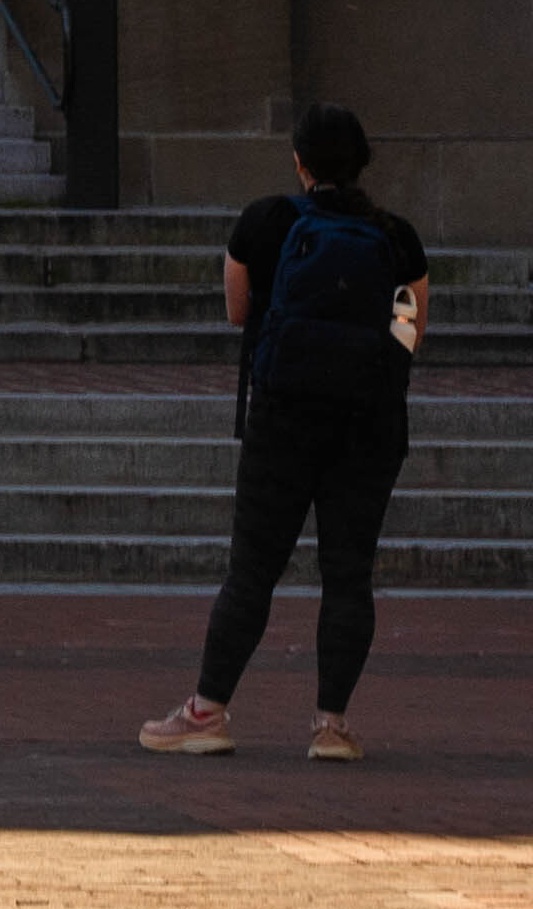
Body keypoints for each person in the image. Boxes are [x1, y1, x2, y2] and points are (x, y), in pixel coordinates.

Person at [139, 105, 430, 762]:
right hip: (368, 427)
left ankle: (205, 712)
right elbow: (409, 332)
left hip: (282, 419)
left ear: (299, 162)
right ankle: (330, 726)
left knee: (251, 570)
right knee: (347, 574)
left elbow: (238, 310)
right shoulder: (396, 236)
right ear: (360, 164)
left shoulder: (266, 222)